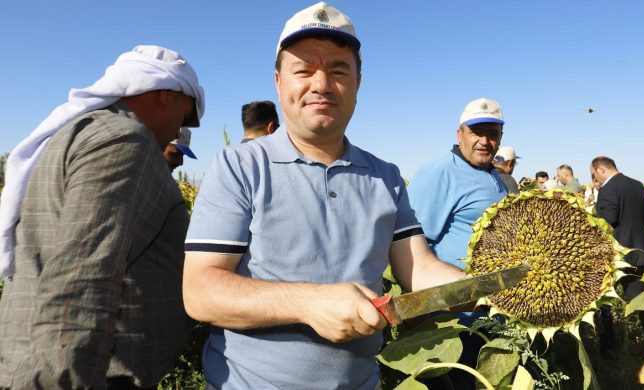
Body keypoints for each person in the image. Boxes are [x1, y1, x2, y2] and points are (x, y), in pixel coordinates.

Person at [181, 3, 465, 389]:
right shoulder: (240, 166)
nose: (321, 84)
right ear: (279, 81)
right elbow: (200, 292)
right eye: (304, 69)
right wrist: (309, 303)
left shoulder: (385, 177)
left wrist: (486, 285)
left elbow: (419, 269)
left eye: (338, 70)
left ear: (358, 83)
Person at [0, 45, 205, 389]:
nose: (176, 133)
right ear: (166, 95)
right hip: (77, 374)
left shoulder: (88, 133)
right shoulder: (124, 140)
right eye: (184, 119)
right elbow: (82, 277)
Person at [407, 98, 508, 389]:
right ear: (459, 133)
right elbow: (412, 245)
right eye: (477, 131)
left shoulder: (495, 178)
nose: (484, 141)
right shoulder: (439, 173)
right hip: (451, 320)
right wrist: (417, 311)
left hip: (488, 317)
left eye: (492, 133)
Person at [590, 156, 644, 356]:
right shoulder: (636, 184)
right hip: (641, 251)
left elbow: (606, 222)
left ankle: (613, 347)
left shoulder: (608, 189)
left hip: (619, 255)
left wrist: (594, 211)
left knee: (603, 299)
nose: (595, 179)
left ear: (600, 169)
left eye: (593, 174)